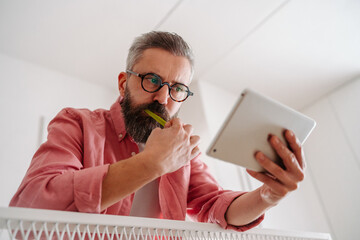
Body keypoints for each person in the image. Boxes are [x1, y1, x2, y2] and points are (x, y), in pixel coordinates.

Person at [10, 31, 305, 231]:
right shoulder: (77, 123)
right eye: (152, 80)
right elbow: (31, 205)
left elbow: (215, 205)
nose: (163, 99)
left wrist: (268, 195)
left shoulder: (184, 151)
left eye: (177, 89)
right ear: (124, 83)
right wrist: (151, 164)